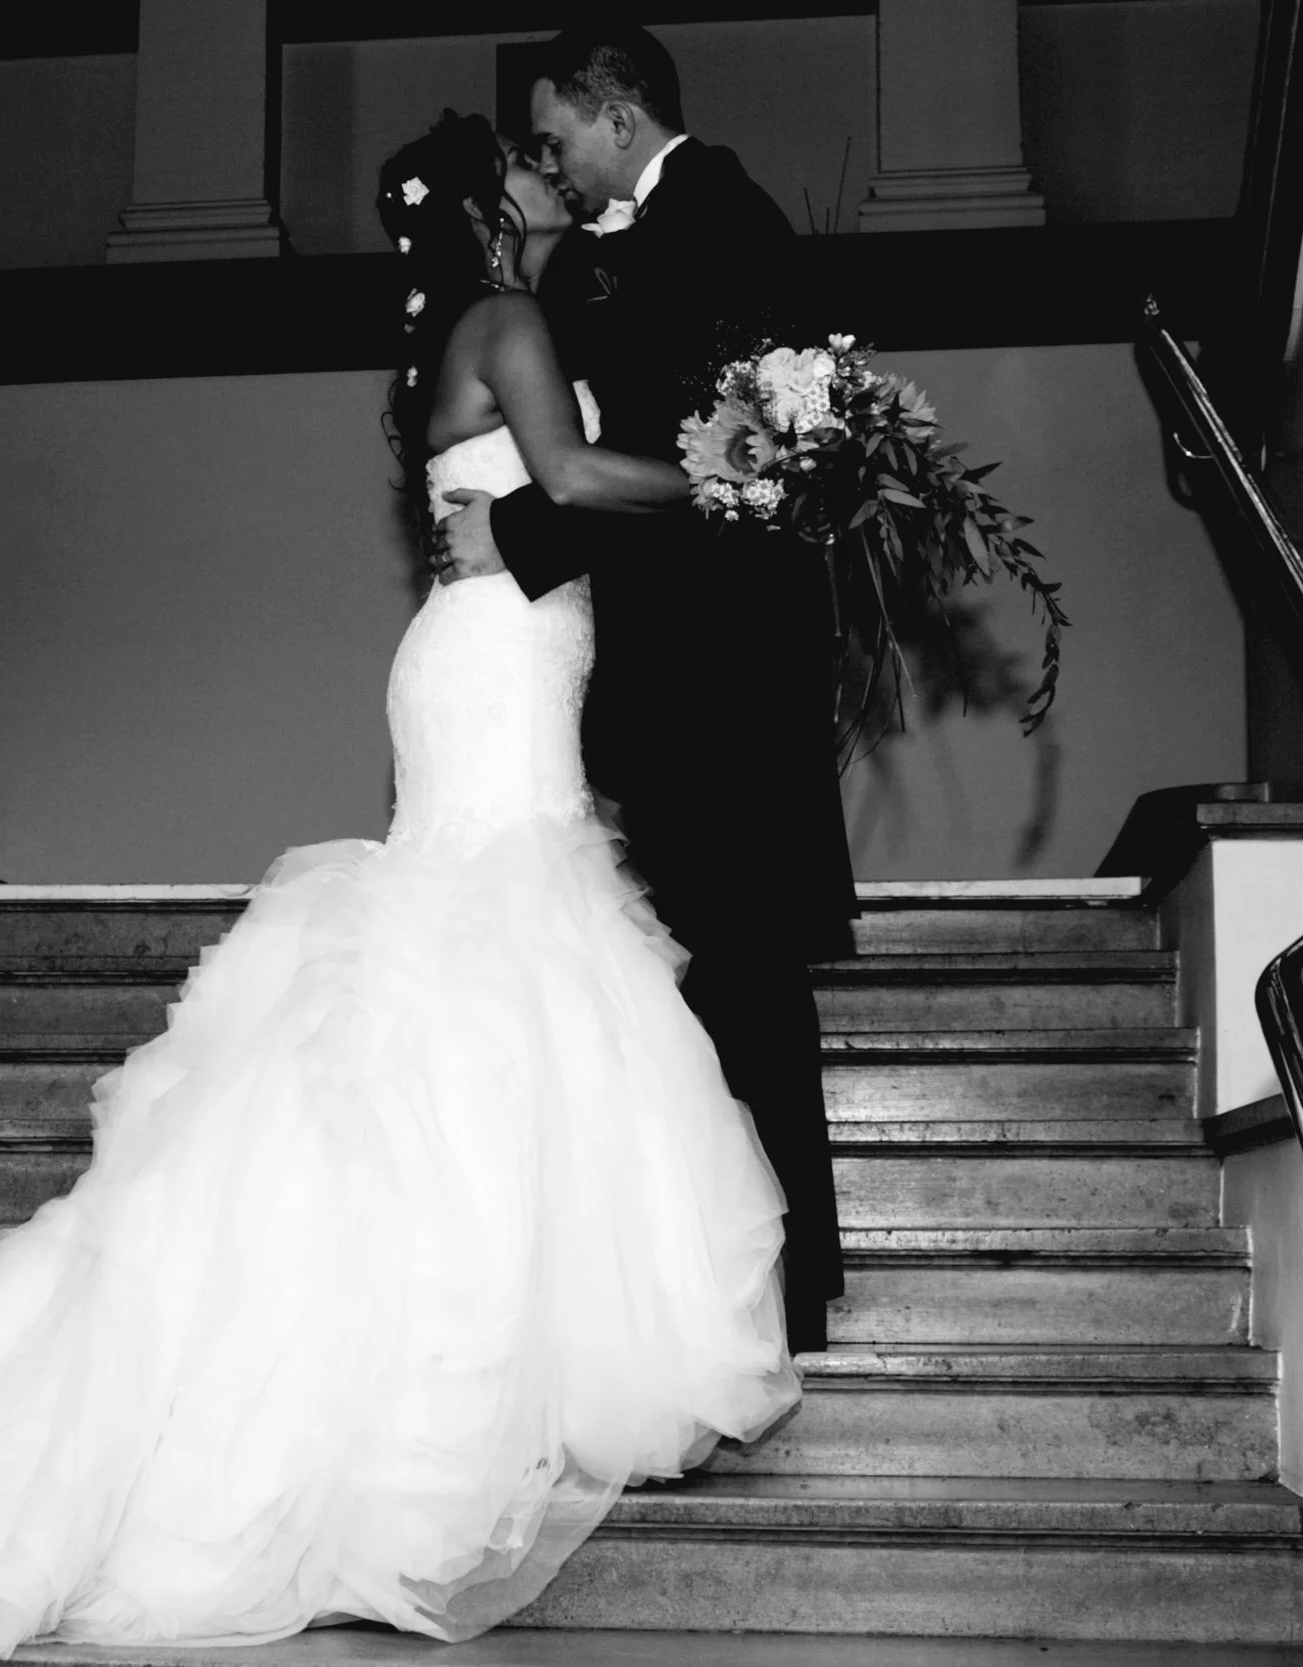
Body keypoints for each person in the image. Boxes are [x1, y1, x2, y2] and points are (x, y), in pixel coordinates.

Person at [0, 110, 799, 1667]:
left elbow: (526, 501)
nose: (562, 180)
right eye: (538, 169)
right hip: (494, 679)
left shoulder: (465, 331)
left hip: (487, 664)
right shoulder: (508, 319)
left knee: (480, 983)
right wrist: (736, 468)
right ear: (498, 206)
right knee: (494, 976)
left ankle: (435, 1380)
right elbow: (562, 475)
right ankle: (416, 1412)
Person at [436, 24, 855, 1350]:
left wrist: (521, 534)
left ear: (618, 114)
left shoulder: (718, 219)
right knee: (720, 978)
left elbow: (721, 458)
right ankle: (749, 1283)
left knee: (739, 974)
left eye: (557, 134)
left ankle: (778, 1289)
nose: (548, 161)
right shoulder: (631, 248)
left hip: (724, 679)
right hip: (680, 676)